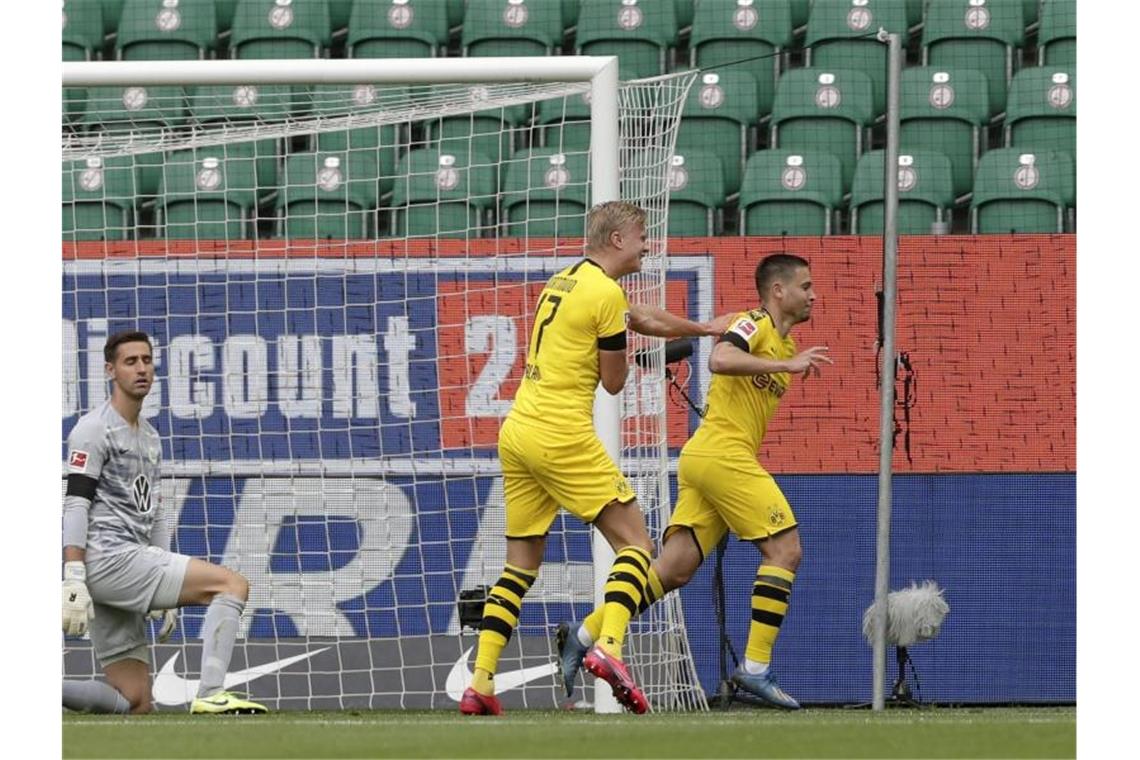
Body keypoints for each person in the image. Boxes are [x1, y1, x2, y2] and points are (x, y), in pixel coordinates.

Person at [459, 201, 731, 716]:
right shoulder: (606, 293)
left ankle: (481, 683)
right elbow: (613, 381)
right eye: (641, 236)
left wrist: (700, 329)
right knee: (637, 544)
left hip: (519, 430)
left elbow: (638, 317)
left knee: (519, 566)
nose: (648, 245)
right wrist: (639, 358)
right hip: (562, 432)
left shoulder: (566, 280)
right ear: (616, 241)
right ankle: (610, 647)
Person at [557, 253, 832, 710]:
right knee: (786, 550)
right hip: (722, 454)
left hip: (706, 459)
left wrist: (784, 362)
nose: (813, 294)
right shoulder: (753, 322)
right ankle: (756, 668)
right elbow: (721, 358)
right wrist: (784, 367)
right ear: (778, 291)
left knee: (672, 570)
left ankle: (582, 636)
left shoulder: (783, 345)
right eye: (805, 286)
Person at [62, 330, 267, 715]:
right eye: (130, 361)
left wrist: (160, 566)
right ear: (110, 370)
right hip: (108, 559)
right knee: (231, 585)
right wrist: (73, 573)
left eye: (147, 360)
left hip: (129, 562)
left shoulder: (151, 438)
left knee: (135, 701)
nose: (142, 369)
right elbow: (75, 503)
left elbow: (152, 511)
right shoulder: (92, 430)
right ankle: (210, 692)